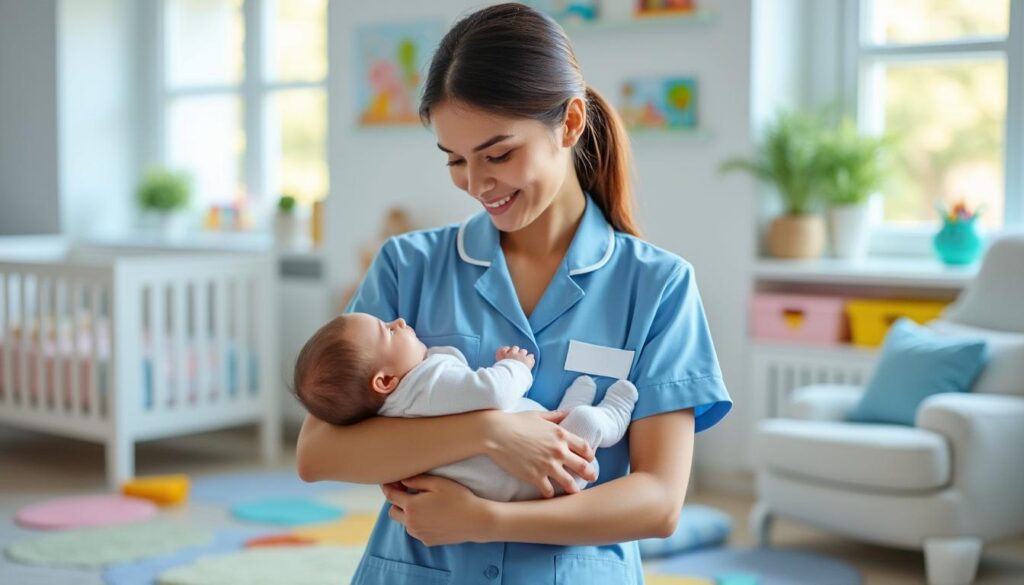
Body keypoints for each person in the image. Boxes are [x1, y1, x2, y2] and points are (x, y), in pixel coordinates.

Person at [296, 3, 732, 583]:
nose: (476, 185)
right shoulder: (408, 265)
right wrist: (489, 431)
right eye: (455, 159)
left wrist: (486, 519)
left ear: (570, 124)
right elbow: (318, 452)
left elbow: (658, 501)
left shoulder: (658, 286)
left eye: (498, 154)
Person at [291, 311, 638, 501]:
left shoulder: (390, 409)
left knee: (563, 420)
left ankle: (567, 412)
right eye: (388, 331)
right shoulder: (426, 384)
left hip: (511, 480)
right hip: (546, 477)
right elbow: (493, 393)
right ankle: (611, 417)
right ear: (384, 381)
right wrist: (516, 366)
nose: (398, 321)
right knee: (586, 425)